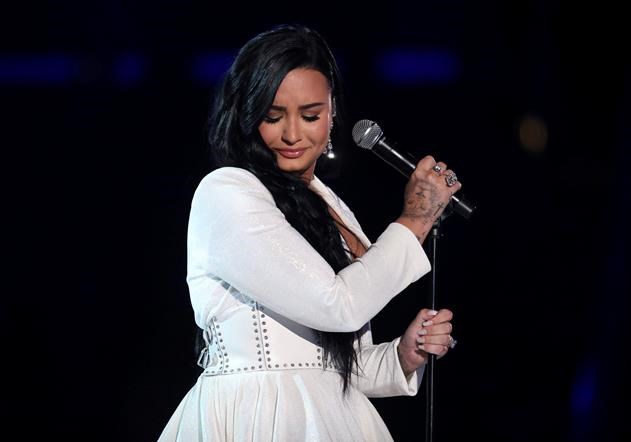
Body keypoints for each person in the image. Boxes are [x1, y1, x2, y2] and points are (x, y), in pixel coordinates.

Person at [158, 24, 462, 441]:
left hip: (332, 418)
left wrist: (402, 356)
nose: (292, 134)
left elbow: (337, 366)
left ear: (332, 113)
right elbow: (337, 305)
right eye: (272, 116)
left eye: (310, 115)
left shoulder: (329, 206)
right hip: (257, 414)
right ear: (248, 115)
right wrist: (416, 218)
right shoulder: (227, 193)